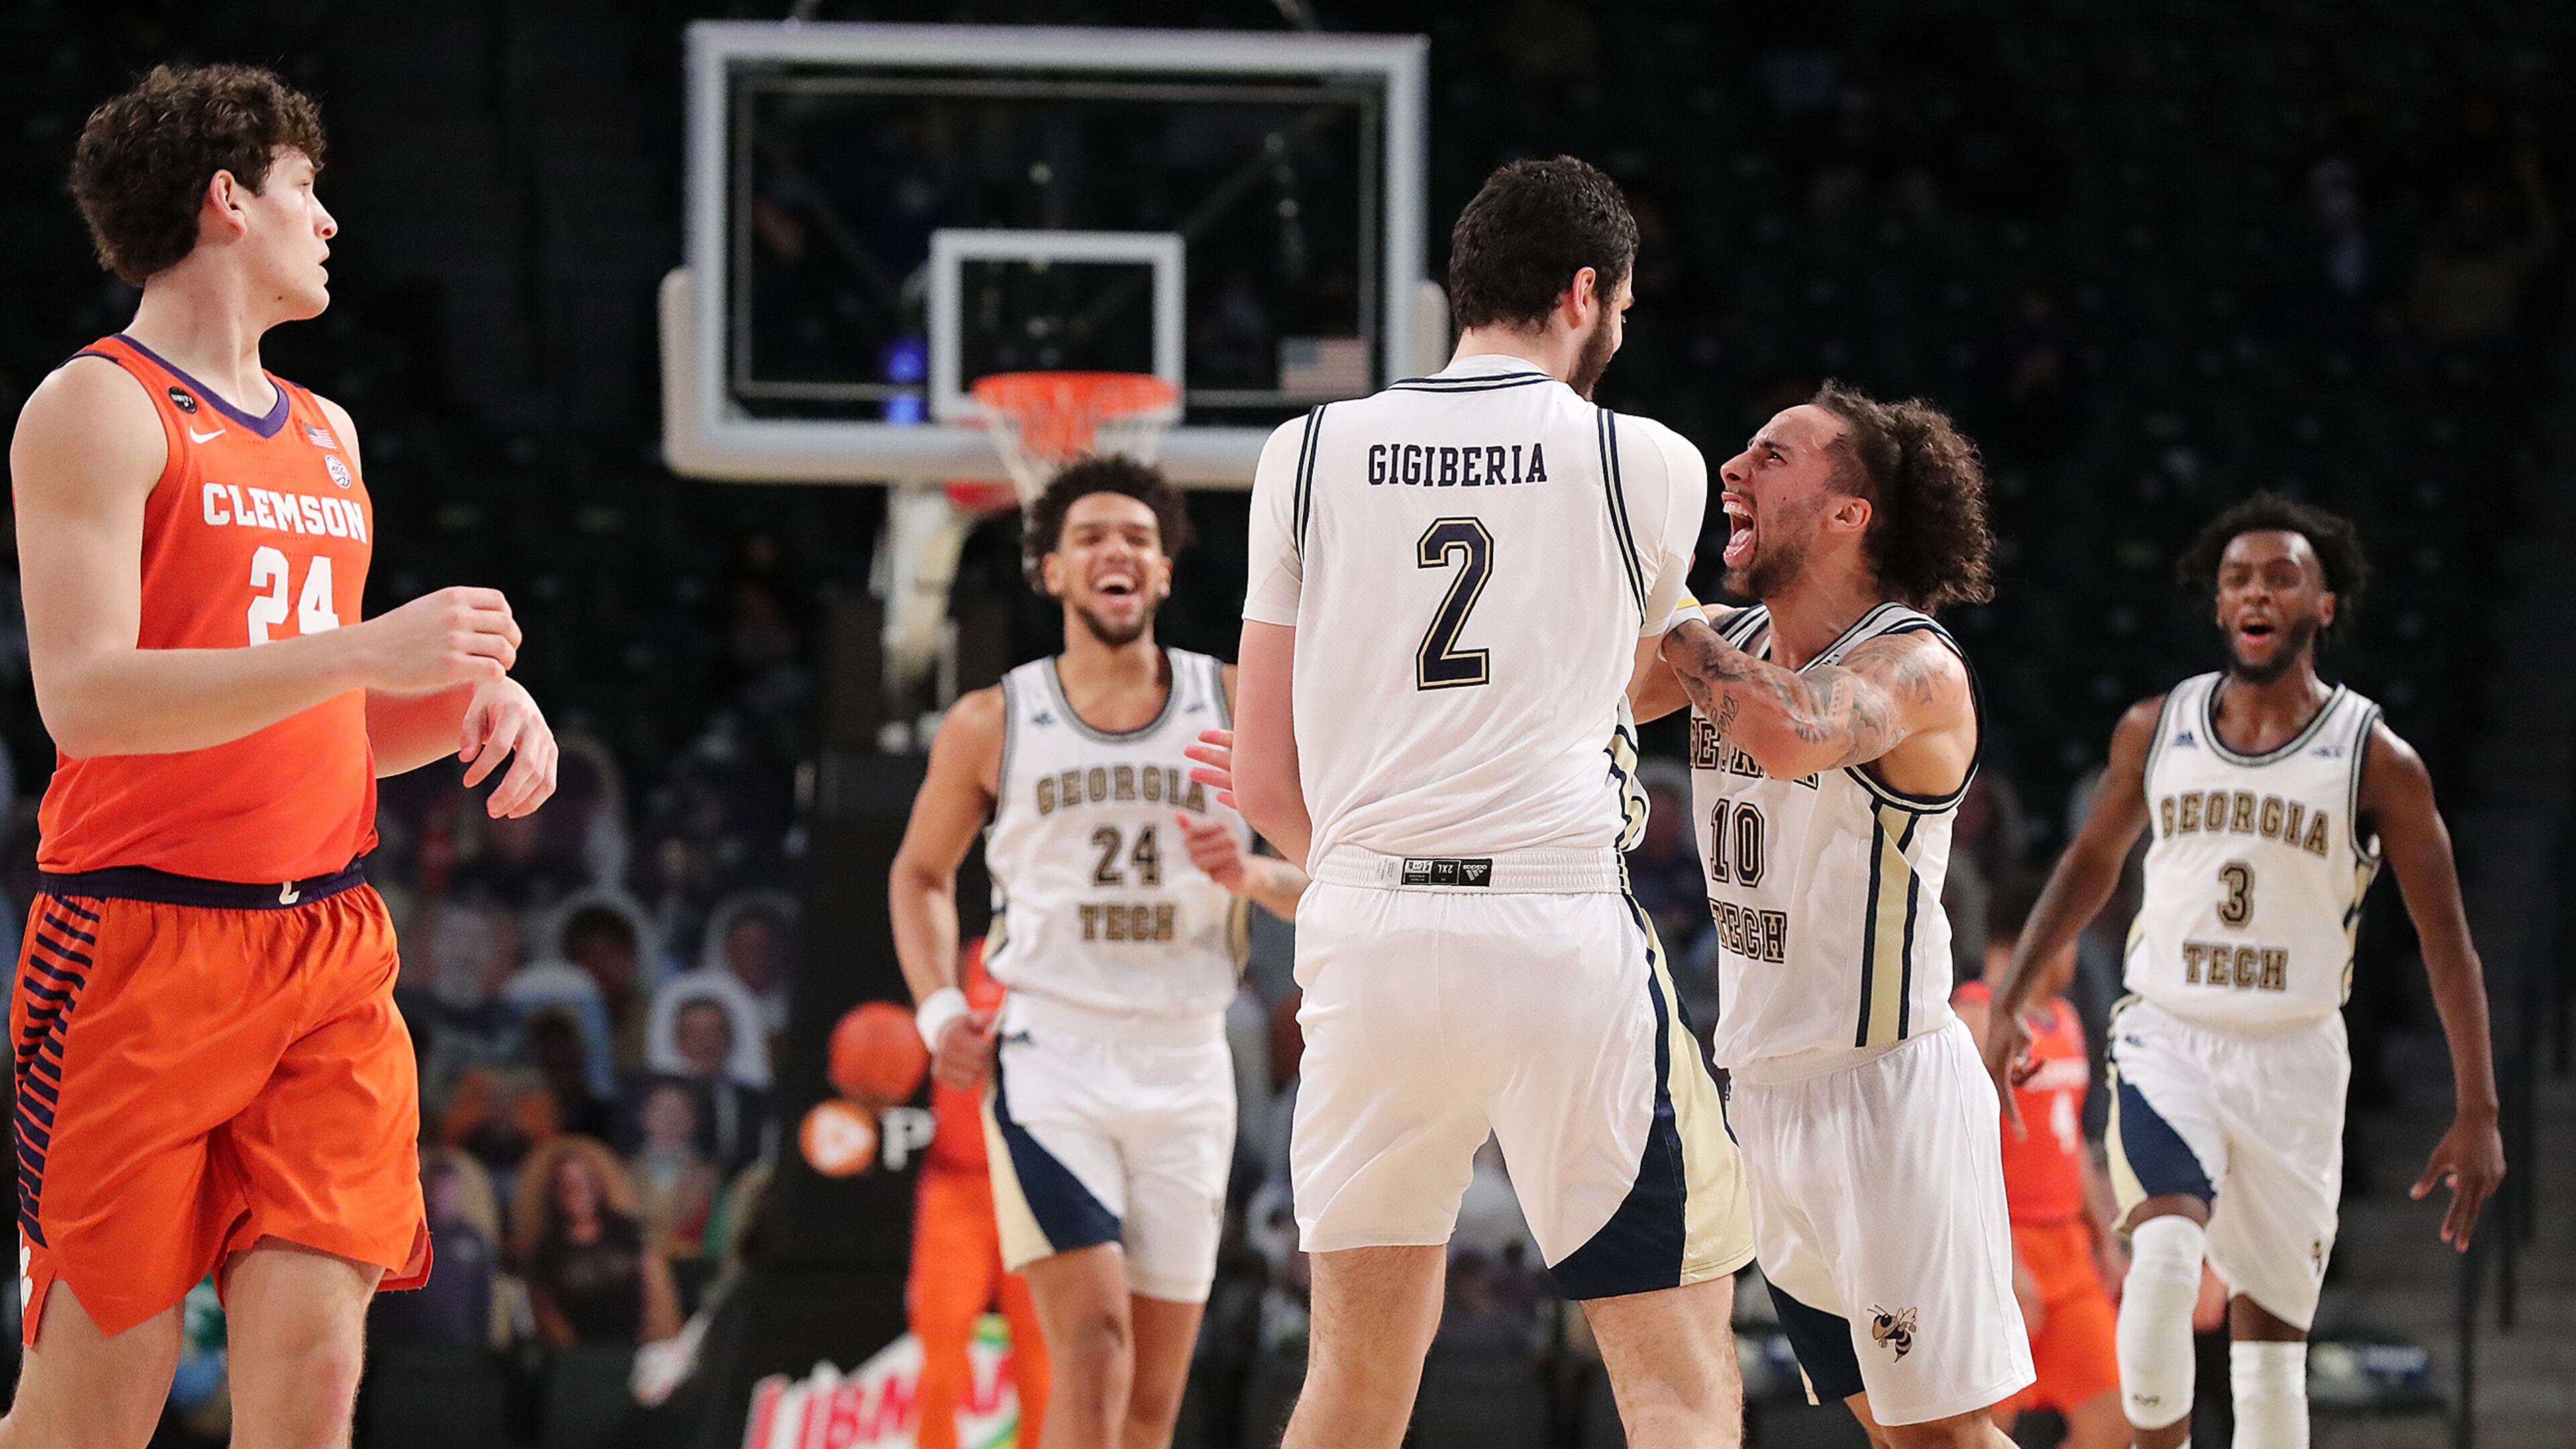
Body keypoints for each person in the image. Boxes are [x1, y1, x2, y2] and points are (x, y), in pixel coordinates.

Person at [3, 63, 558, 1446]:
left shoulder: (330, 433)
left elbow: (318, 716)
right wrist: (366, 651)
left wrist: (473, 708)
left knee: (313, 1379)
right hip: (138, 948)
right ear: (226, 199)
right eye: (306, 188)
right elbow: (89, 702)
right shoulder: (96, 407)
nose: (327, 220)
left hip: (327, 948)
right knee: (96, 1411)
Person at [1228, 156, 1754, 1449]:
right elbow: (1611, 688)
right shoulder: (1648, 461)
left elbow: (1259, 776)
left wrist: (1361, 873)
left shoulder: (1302, 455)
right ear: (1585, 292)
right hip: (1553, 930)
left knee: (1352, 1383)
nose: (1617, 335)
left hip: (1361, 935)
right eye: (1620, 310)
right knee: (1680, 1377)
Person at [1980, 492, 2506, 1449]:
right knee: (2168, 1253)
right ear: (2218, 607)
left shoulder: (2375, 757)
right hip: (2168, 1035)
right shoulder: (2157, 725)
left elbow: (2447, 941)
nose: (2255, 590)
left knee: (2270, 1367)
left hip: (2297, 1058)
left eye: (2279, 575)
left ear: (2324, 603)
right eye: (2236, 579)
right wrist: (2012, 998)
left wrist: (2479, 1109)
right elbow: (2093, 859)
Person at [888, 455, 1304, 1449]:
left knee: (1154, 1404)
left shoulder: (1240, 702)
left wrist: (1252, 877)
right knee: (1095, 1348)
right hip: (1052, 1059)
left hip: (1190, 1059)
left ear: (1162, 573)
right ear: (1053, 572)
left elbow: (1336, 876)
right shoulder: (992, 721)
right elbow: (919, 876)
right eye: (1090, 538)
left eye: (1136, 539)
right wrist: (941, 1009)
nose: (1115, 551)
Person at [1642, 382, 2025, 1447]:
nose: (1733, 469)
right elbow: (1569, 693)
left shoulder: (1915, 666)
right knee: (1901, 1438)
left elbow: (1788, 728)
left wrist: (1664, 607)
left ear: (1849, 514)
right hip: (1763, 1095)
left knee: (1947, 1436)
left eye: (1772, 457)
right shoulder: (1725, 637)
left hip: (1886, 1096)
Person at [1950, 874, 2128, 1449]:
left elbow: (2070, 1141)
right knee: (1982, 1432)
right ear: (2042, 934)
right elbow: (1955, 1153)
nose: (2077, 951)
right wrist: (2003, 1263)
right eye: (2070, 933)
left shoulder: (2067, 1020)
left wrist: (2106, 1236)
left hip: (2069, 1252)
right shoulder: (1971, 1019)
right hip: (2000, 1247)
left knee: (2116, 1421)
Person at [909, 940, 1050, 1449]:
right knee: (940, 1346)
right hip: (956, 1182)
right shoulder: (957, 958)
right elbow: (910, 1047)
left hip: (1035, 1179)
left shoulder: (1063, 958)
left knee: (1042, 1355)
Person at [514, 1136, 683, 1348]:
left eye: (586, 1182)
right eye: (568, 1186)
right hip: (580, 1361)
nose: (578, 1194)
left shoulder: (629, 1233)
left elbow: (658, 1298)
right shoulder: (548, 1251)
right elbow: (548, 1316)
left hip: (636, 1350)